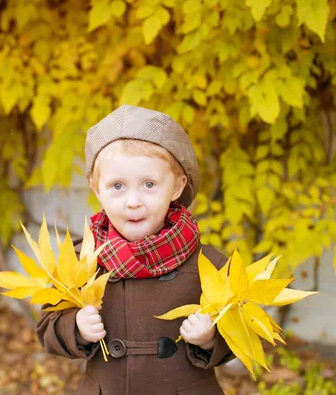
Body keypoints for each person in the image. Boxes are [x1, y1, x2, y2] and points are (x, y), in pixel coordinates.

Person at [36, 104, 234, 394]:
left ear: (177, 187)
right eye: (117, 186)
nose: (133, 201)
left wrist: (209, 338)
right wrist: (76, 327)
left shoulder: (209, 264)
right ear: (96, 189)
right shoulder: (81, 260)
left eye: (149, 184)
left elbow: (244, 332)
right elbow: (47, 327)